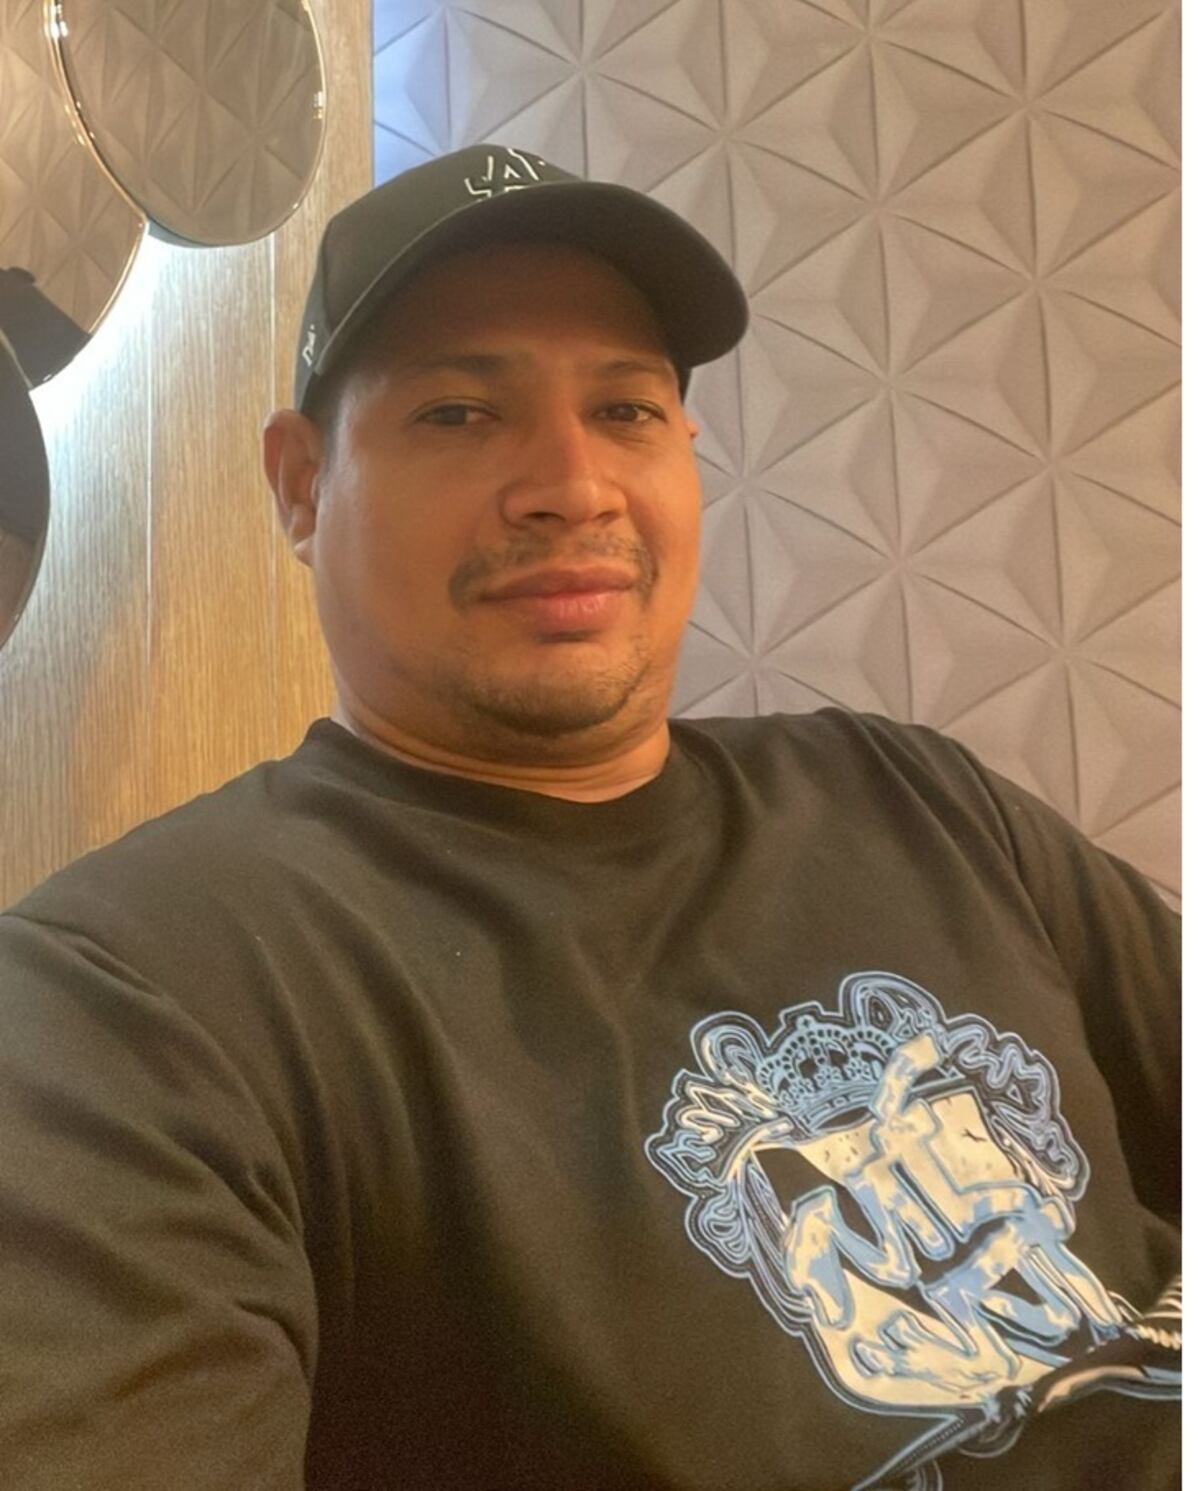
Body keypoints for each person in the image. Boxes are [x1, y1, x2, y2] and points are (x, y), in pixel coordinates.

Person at [0, 145, 1180, 1491]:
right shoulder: (125, 999)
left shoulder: (919, 797)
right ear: (300, 486)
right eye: (458, 413)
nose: (573, 483)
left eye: (625, 410)